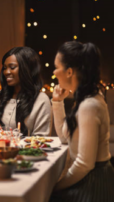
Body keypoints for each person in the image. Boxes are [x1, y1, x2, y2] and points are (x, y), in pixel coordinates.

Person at [50, 41, 114, 202]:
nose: (54, 71)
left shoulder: (89, 105)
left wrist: (56, 186)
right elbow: (65, 138)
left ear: (69, 72)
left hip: (94, 183)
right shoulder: (85, 98)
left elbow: (85, 164)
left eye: (57, 67)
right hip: (88, 176)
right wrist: (57, 102)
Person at [0, 47, 52, 136]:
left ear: (27, 68)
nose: (6, 72)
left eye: (12, 67)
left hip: (27, 150)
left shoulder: (41, 100)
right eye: (4, 67)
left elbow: (42, 140)